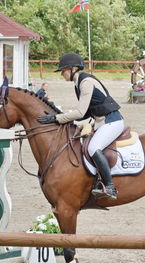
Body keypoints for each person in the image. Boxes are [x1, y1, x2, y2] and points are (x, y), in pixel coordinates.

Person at [37, 53, 124, 200]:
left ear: (73, 68)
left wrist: (56, 118)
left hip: (112, 121)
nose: (62, 74)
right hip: (101, 121)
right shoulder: (78, 83)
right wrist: (60, 116)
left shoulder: (85, 82)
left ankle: (109, 187)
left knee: (93, 147)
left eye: (63, 70)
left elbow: (79, 112)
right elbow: (85, 114)